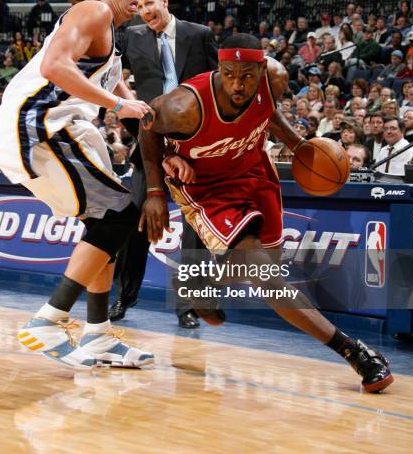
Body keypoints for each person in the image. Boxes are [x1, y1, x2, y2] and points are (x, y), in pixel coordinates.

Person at [138, 33, 393, 393]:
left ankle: (204, 284)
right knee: (263, 272)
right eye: (229, 74)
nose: (238, 85)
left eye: (247, 76)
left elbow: (266, 110)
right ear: (219, 68)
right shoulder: (184, 105)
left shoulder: (273, 80)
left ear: (261, 70)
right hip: (207, 189)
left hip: (254, 170)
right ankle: (352, 350)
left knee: (267, 261)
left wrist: (297, 144)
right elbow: (146, 124)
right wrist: (156, 183)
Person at [0, 0, 155, 370]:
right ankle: (49, 318)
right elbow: (54, 66)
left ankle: (97, 335)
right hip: (40, 124)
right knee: (119, 214)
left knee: (107, 229)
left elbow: (137, 113)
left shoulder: (113, 45)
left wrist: (164, 152)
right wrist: (118, 107)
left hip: (61, 126)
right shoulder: (93, 10)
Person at [111, 0, 222, 329]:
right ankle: (123, 297)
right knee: (135, 224)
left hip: (196, 147)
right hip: (150, 146)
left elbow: (219, 87)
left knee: (195, 233)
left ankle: (188, 305)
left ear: (164, 1)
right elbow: (110, 73)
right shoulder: (131, 36)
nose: (145, 11)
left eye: (149, 3)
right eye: (140, 7)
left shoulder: (200, 34)